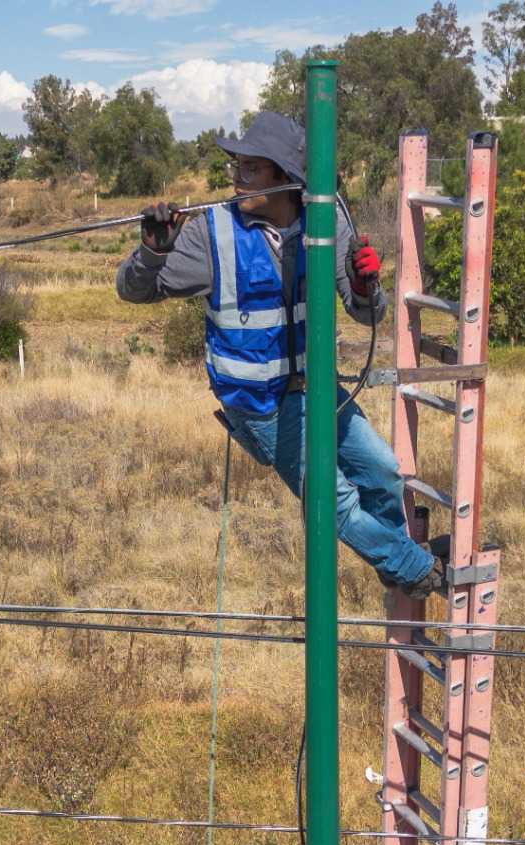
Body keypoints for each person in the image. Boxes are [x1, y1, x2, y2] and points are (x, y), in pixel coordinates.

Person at [115, 111, 443, 598]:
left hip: (319, 391)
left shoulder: (327, 223)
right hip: (261, 407)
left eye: (250, 169)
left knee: (383, 474)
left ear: (287, 179)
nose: (236, 180)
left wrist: (364, 284)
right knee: (336, 502)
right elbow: (131, 291)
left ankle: (393, 561)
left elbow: (365, 314)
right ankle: (418, 571)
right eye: (236, 167)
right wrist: (152, 254)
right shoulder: (212, 235)